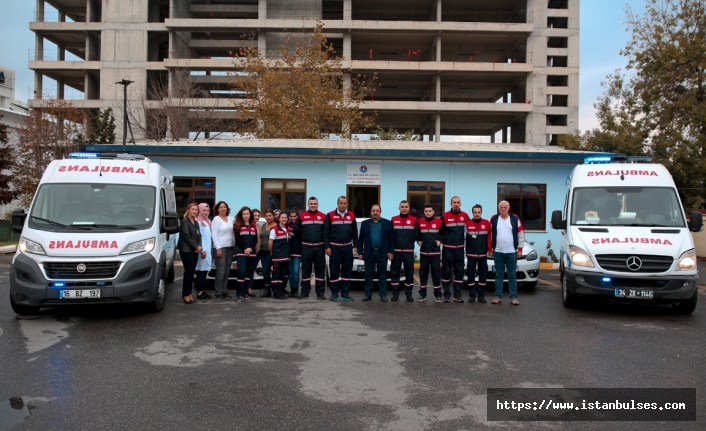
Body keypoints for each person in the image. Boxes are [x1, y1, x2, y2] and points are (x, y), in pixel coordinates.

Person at [488, 200, 525, 306]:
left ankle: (513, 297)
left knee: (512, 275)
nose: (503, 209)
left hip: (511, 252)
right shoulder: (494, 219)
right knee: (499, 275)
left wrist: (520, 249)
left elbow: (521, 233)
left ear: (509, 208)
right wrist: (490, 249)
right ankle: (498, 296)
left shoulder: (514, 219)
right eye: (501, 207)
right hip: (498, 252)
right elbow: (490, 235)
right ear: (498, 208)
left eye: (505, 207)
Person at [324, 196, 358, 301]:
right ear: (337, 203)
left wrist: (356, 245)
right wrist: (327, 246)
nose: (343, 205)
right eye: (341, 203)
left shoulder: (351, 215)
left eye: (344, 203)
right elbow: (326, 232)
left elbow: (355, 232)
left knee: (347, 271)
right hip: (334, 247)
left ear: (347, 204)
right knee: (334, 271)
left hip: (348, 247)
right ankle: (334, 293)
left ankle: (345, 293)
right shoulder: (330, 215)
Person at [293, 197, 327, 300]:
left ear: (318, 204)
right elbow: (295, 230)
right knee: (305, 271)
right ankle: (304, 292)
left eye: (315, 203)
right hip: (306, 247)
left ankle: (320, 293)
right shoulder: (302, 216)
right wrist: (303, 237)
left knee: (320, 271)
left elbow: (326, 232)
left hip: (319, 248)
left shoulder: (323, 216)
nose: (313, 205)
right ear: (308, 205)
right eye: (311, 203)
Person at [358, 204, 394, 302]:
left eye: (377, 211)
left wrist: (390, 251)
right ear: (371, 212)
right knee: (368, 274)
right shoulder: (365, 224)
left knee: (382, 275)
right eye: (373, 210)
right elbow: (360, 239)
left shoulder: (387, 223)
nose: (375, 212)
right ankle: (368, 294)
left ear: (380, 212)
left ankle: (383, 295)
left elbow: (391, 240)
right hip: (369, 253)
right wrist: (360, 252)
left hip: (382, 253)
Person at [441, 196, 470, 303]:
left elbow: (470, 231)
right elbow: (441, 233)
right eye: (454, 202)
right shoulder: (445, 216)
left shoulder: (465, 216)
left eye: (458, 202)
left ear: (460, 204)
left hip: (460, 249)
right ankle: (447, 294)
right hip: (448, 249)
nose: (456, 204)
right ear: (451, 204)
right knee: (446, 272)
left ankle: (457, 295)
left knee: (459, 273)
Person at [390, 200, 417, 302]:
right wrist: (391, 251)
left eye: (406, 206)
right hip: (396, 252)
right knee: (395, 273)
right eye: (402, 206)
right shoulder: (394, 219)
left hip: (408, 252)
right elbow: (391, 237)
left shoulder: (414, 220)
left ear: (409, 208)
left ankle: (408, 294)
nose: (404, 208)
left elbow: (416, 235)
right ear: (399, 208)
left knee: (409, 273)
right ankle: (395, 294)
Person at [416, 203, 443, 302]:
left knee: (436, 275)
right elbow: (417, 235)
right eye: (426, 211)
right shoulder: (420, 222)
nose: (428, 213)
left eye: (430, 211)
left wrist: (441, 241)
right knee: (423, 274)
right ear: (424, 212)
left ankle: (438, 295)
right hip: (424, 254)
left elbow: (444, 234)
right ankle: (422, 294)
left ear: (433, 212)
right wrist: (418, 241)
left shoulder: (439, 222)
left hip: (435, 254)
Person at [177, 203, 203, 304]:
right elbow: (186, 236)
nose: (194, 211)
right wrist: (196, 246)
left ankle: (189, 293)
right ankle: (185, 295)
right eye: (192, 209)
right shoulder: (184, 221)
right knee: (188, 273)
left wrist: (199, 246)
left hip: (195, 251)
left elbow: (199, 236)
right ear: (188, 210)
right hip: (186, 250)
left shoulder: (196, 222)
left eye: (196, 210)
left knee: (192, 272)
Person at [465, 204, 490, 303]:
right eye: (475, 212)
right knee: (471, 275)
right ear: (472, 213)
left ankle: (481, 296)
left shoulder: (486, 223)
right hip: (471, 254)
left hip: (483, 255)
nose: (477, 214)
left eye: (478, 212)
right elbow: (463, 237)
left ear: (481, 213)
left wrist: (489, 249)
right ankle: (472, 296)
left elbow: (489, 237)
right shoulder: (467, 223)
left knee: (483, 276)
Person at [234, 206, 259, 302]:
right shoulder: (237, 225)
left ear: (250, 215)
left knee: (249, 273)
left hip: (251, 252)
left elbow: (255, 239)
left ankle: (245, 292)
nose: (246, 215)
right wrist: (245, 249)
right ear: (241, 215)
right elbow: (238, 239)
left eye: (247, 214)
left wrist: (250, 248)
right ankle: (239, 294)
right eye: (244, 214)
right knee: (242, 272)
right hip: (241, 252)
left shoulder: (253, 225)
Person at [211, 201, 234, 299]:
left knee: (227, 271)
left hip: (230, 247)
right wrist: (218, 248)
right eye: (221, 207)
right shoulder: (216, 219)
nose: (223, 208)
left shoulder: (231, 219)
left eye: (225, 207)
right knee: (221, 271)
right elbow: (214, 235)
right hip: (221, 247)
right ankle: (218, 292)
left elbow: (233, 233)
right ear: (217, 209)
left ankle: (225, 290)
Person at [269, 212, 291, 299]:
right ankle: (276, 293)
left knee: (282, 275)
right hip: (277, 257)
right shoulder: (274, 229)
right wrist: (272, 253)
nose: (284, 219)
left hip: (285, 257)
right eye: (282, 217)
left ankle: (280, 291)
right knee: (276, 275)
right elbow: (270, 243)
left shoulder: (288, 229)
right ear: (279, 219)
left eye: (286, 217)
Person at [194, 203, 214, 300]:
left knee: (204, 271)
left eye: (207, 210)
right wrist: (203, 250)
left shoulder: (207, 221)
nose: (206, 212)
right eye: (204, 210)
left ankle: (202, 290)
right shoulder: (198, 222)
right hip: (202, 251)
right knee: (201, 271)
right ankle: (200, 292)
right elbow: (200, 238)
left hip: (208, 250)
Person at [258, 210, 277, 298]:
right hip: (263, 251)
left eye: (270, 215)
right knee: (265, 271)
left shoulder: (276, 226)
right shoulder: (264, 225)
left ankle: (271, 288)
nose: (268, 217)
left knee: (266, 269)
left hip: (271, 252)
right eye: (267, 216)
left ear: (273, 216)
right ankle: (268, 289)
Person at [287, 209, 302, 298]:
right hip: (288, 252)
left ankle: (296, 289)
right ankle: (292, 289)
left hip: (297, 252)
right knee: (290, 272)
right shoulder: (287, 225)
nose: (293, 218)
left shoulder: (301, 226)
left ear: (297, 216)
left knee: (296, 272)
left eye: (294, 216)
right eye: (291, 216)